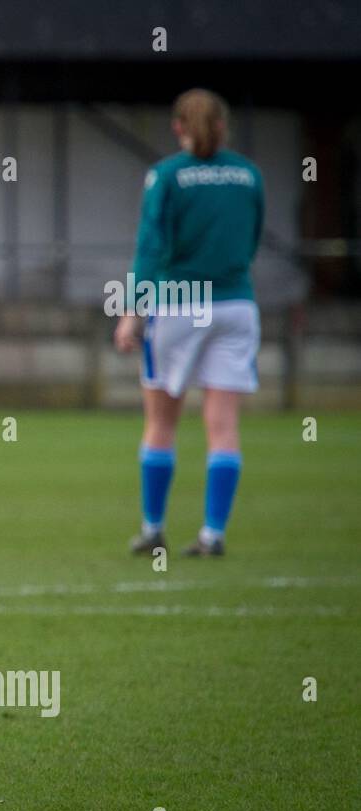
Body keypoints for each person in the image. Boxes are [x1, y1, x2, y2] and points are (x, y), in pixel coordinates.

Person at [114, 88, 264, 558]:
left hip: (180, 303)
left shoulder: (166, 177)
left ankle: (153, 528)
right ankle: (213, 534)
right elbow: (253, 237)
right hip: (238, 303)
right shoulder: (248, 175)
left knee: (161, 421)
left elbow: (151, 250)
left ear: (178, 127)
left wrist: (132, 311)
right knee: (223, 425)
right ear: (223, 126)